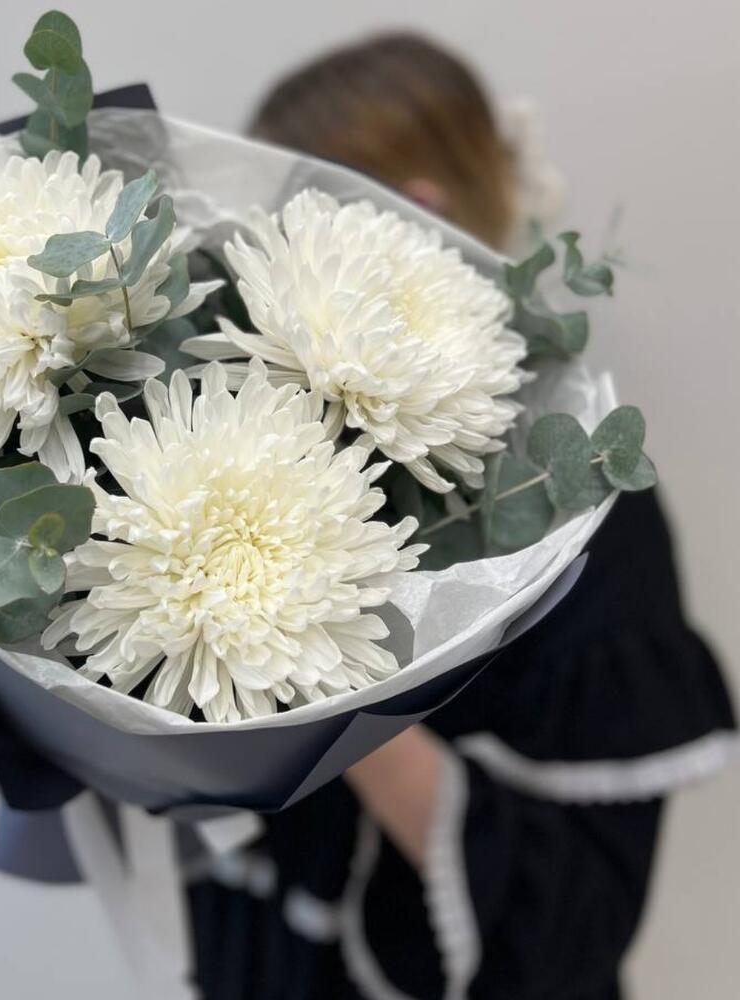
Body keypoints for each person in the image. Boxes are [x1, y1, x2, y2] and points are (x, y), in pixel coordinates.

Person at [187, 33, 736, 1000]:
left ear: (415, 220)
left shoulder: (576, 496)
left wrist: (327, 679)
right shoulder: (271, 451)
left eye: (293, 235)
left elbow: (577, 927)